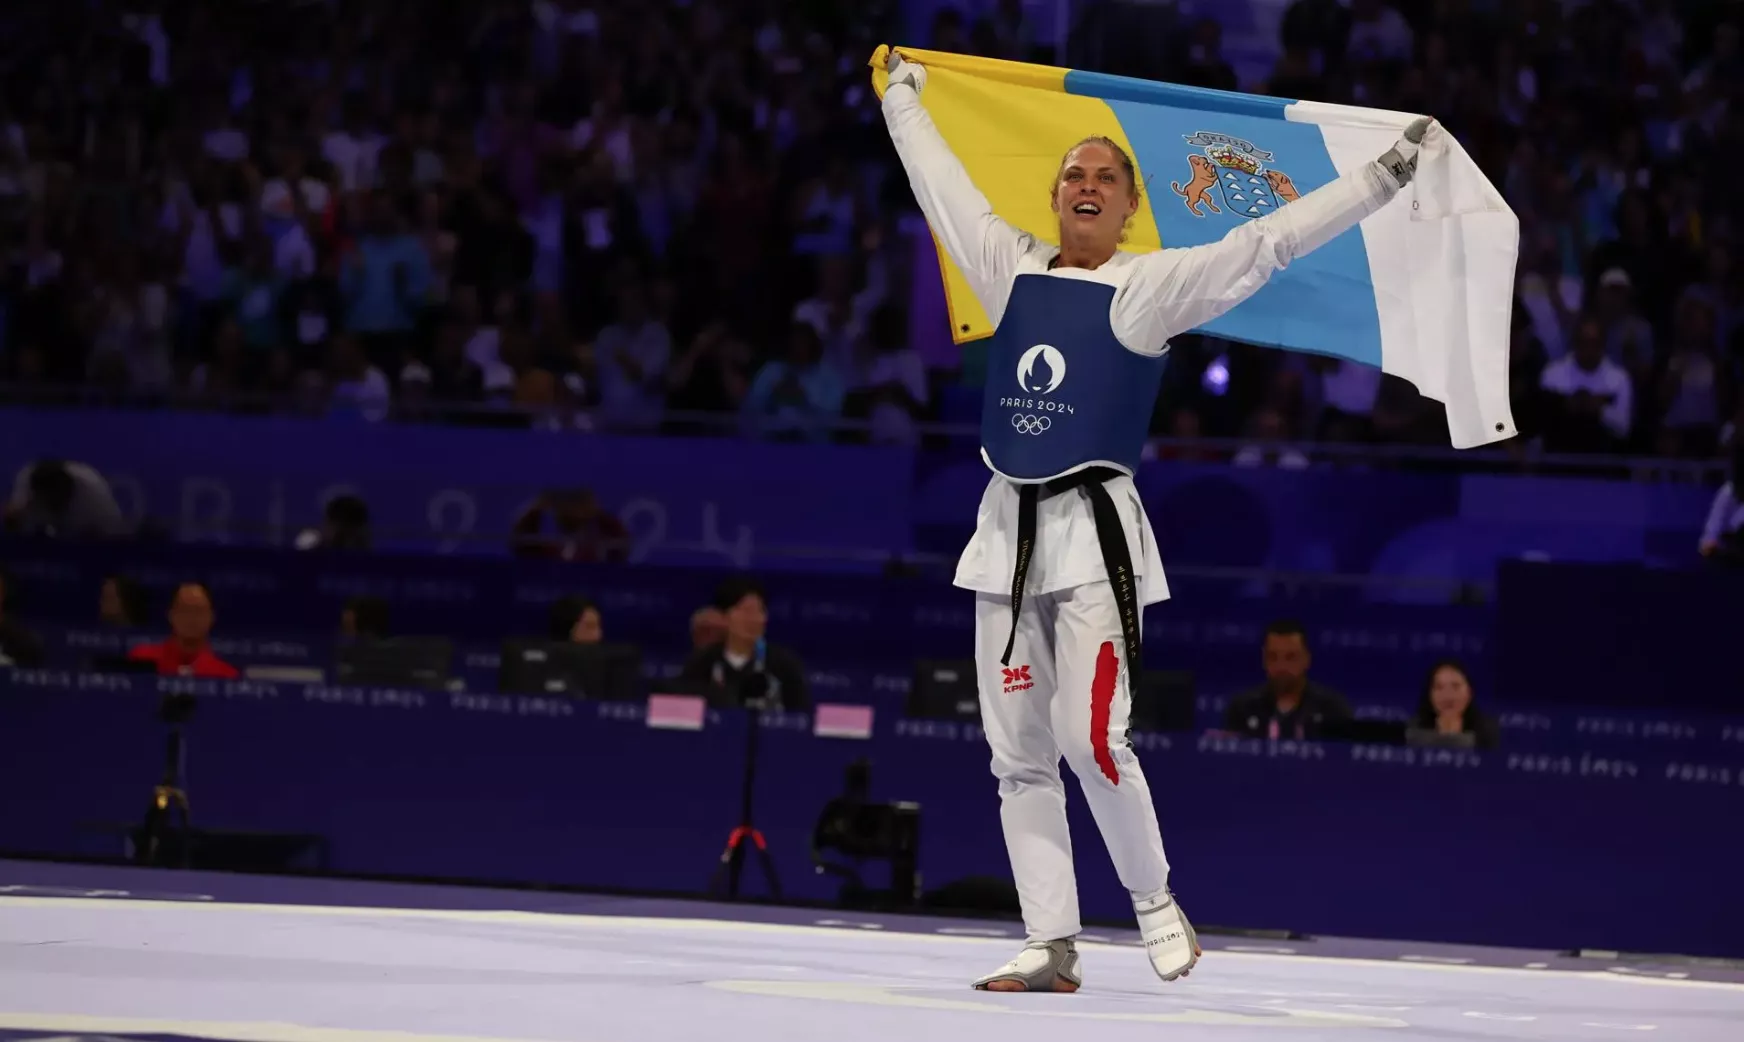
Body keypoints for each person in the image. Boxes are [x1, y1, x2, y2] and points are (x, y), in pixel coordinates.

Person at [881, 49, 1432, 991]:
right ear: (1053, 197)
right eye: (1073, 176)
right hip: (1004, 538)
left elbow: (1266, 243)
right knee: (1016, 756)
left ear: (1129, 206)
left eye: (1105, 177)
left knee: (1093, 739)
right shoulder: (1009, 269)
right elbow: (941, 186)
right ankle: (1050, 942)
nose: (1087, 186)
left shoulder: (1149, 288)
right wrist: (901, 99)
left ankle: (1152, 902)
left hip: (1096, 542)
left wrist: (1377, 181)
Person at [1408, 659, 1499, 750]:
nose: (1447, 695)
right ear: (1429, 694)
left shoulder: (1489, 732)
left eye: (1456, 686)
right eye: (1439, 687)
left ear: (1469, 692)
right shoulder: (1412, 730)